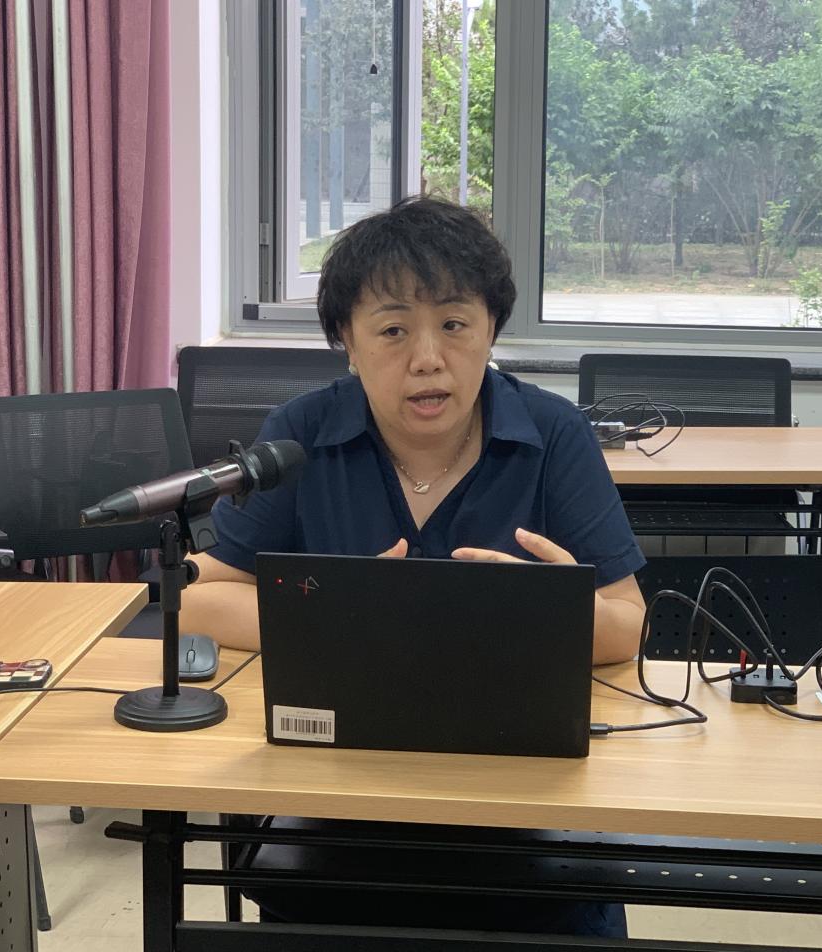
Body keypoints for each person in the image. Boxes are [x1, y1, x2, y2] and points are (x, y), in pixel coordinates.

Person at [181, 195, 647, 937]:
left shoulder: (553, 432)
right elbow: (198, 600)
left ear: (491, 329)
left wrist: (541, 610)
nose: (428, 357)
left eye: (454, 325)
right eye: (393, 329)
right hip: (344, 787)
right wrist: (352, 618)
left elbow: (626, 626)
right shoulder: (302, 433)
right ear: (347, 340)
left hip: (525, 784)